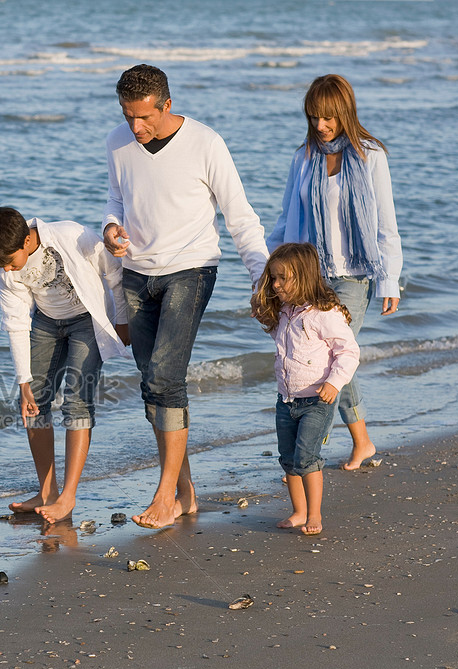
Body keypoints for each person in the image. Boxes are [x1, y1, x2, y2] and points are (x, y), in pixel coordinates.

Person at [102, 63, 269, 528]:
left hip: (191, 269)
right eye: (127, 116)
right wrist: (110, 228)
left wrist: (262, 277)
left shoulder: (206, 143)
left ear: (167, 105)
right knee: (152, 386)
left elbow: (240, 216)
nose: (135, 127)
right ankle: (185, 491)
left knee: (165, 378)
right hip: (136, 273)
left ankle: (165, 495)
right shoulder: (118, 142)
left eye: (144, 117)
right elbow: (116, 198)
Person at [266, 73, 403, 470]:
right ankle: (357, 443)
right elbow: (287, 215)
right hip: (307, 276)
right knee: (323, 360)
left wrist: (389, 279)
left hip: (353, 275)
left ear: (344, 113)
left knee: (334, 360)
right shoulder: (303, 157)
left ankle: (308, 455)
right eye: (313, 118)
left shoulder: (370, 156)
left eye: (328, 118)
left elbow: (384, 223)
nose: (321, 126)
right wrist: (267, 265)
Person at [0, 207, 130, 524]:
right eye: (0, 265)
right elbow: (16, 321)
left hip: (88, 321)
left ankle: (67, 498)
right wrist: (24, 383)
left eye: (10, 261)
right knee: (33, 404)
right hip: (47, 323)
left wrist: (123, 321)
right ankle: (47, 492)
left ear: (26, 241)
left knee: (76, 402)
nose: (6, 269)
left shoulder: (70, 235)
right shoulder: (5, 264)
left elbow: (113, 271)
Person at [252, 243, 360, 535]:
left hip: (318, 401)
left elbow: (348, 352)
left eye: (282, 278)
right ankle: (298, 512)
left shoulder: (324, 314)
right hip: (286, 400)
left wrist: (334, 382)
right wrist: (263, 310)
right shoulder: (285, 312)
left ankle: (315, 515)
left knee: (306, 458)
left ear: (303, 277)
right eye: (272, 277)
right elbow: (281, 340)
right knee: (288, 458)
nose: (275, 284)